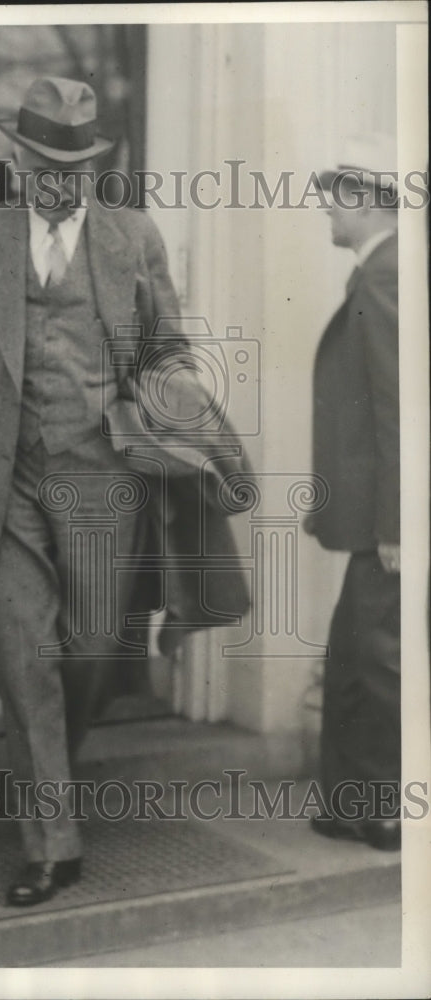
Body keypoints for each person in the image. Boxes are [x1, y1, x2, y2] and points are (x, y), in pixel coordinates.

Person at [0, 76, 247, 906]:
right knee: (25, 655)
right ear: (18, 160)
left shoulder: (131, 236)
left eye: (75, 167)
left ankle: (51, 779)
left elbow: (168, 350)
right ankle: (52, 843)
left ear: (93, 167)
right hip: (3, 478)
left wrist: (186, 429)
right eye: (45, 165)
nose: (60, 181)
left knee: (88, 648)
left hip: (101, 477)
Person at [308, 134, 401, 851]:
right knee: (350, 653)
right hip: (373, 513)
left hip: (385, 519)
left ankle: (387, 807)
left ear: (367, 201)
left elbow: (397, 407)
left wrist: (398, 524)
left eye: (336, 195)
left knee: (376, 659)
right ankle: (349, 802)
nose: (326, 209)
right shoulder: (381, 270)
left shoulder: (385, 276)